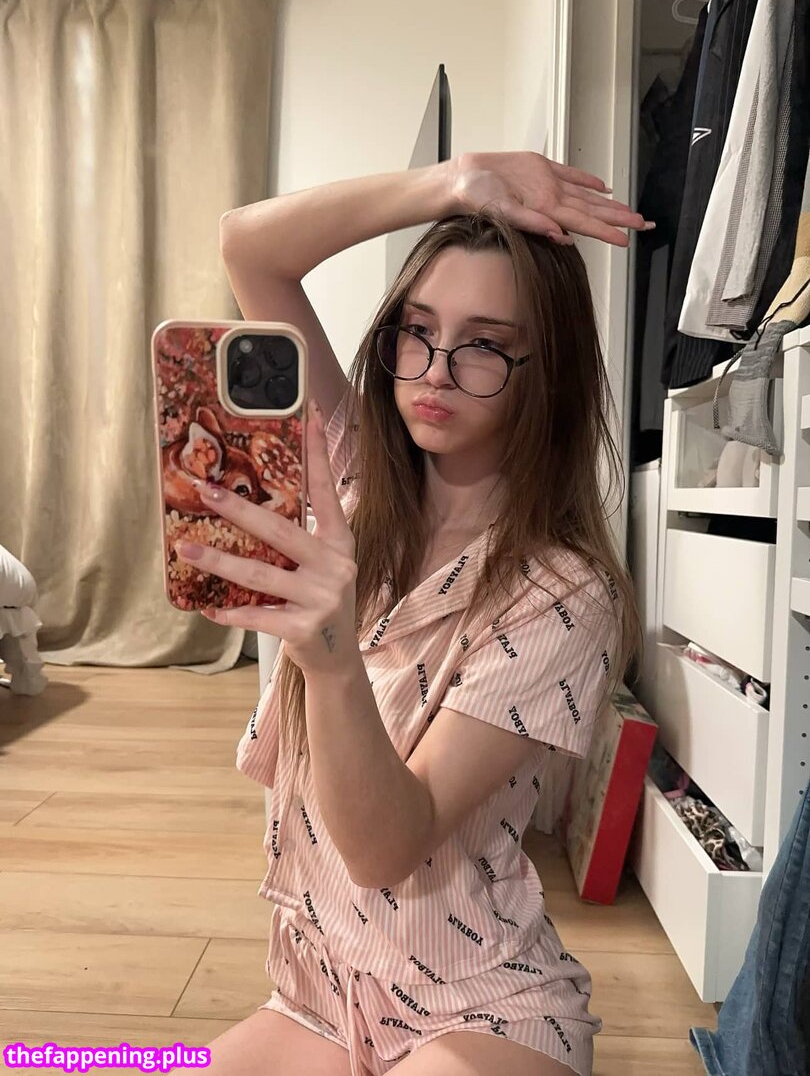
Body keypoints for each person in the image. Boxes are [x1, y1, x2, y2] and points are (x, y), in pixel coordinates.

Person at [173, 151, 650, 1076]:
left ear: (542, 372)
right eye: (417, 330)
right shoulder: (350, 469)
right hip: (318, 988)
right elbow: (249, 247)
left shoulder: (564, 593)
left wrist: (331, 658)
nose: (435, 370)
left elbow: (386, 846)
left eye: (483, 345)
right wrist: (451, 182)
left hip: (475, 1000)